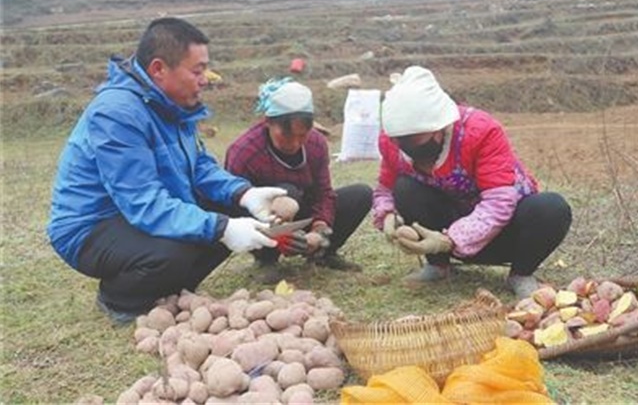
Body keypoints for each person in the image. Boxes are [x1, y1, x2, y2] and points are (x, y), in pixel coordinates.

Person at [47, 18, 288, 325]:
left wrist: (245, 194)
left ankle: (172, 290)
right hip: (92, 225)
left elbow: (199, 167)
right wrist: (222, 228)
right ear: (159, 69)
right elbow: (143, 202)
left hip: (138, 211)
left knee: (231, 211)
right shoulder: (116, 114)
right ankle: (120, 298)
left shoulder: (173, 104)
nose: (205, 80)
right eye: (197, 71)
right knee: (176, 250)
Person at [373, 66, 572, 298]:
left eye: (414, 139)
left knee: (550, 208)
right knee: (405, 188)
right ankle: (438, 265)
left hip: (504, 232)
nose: (405, 145)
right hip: (447, 225)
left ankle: (521, 273)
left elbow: (499, 203)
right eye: (400, 140)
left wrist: (450, 240)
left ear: (438, 127)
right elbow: (385, 188)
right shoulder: (390, 142)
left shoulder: (481, 131)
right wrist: (387, 214)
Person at [225, 77, 372, 283]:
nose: (294, 144)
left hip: (304, 214)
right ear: (268, 122)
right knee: (286, 194)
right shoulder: (244, 152)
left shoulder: (316, 144)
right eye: (286, 137)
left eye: (302, 136)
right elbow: (234, 205)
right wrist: (274, 231)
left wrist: (319, 229)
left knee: (361, 194)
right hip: (265, 221)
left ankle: (322, 253)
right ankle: (267, 260)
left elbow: (323, 193)